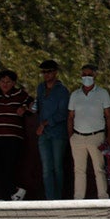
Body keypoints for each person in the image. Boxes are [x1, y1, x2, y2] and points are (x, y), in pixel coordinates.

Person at [68, 63, 110, 199]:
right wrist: (71, 136)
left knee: (99, 169)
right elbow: (70, 117)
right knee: (79, 170)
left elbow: (109, 116)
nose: (86, 77)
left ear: (95, 75)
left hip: (97, 135)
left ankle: (103, 198)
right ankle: (78, 199)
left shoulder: (102, 93)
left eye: (89, 74)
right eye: (84, 75)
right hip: (78, 136)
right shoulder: (75, 95)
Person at [0, 69, 32, 200]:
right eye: (2, 81)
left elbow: (33, 106)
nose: (5, 84)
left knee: (9, 168)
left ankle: (7, 196)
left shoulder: (20, 94)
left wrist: (24, 108)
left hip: (13, 137)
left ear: (14, 83)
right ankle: (11, 192)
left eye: (8, 82)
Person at [34, 60, 69, 200]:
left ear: (55, 72)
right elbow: (39, 107)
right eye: (44, 72)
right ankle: (50, 199)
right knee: (46, 169)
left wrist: (46, 123)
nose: (46, 74)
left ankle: (58, 198)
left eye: (49, 71)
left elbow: (63, 113)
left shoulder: (62, 91)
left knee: (57, 167)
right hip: (44, 133)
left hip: (57, 132)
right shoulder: (40, 88)